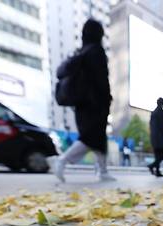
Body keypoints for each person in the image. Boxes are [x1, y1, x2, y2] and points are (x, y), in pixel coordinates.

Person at [52, 19, 114, 182]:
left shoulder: (82, 52)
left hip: (81, 105)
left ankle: (103, 171)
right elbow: (101, 80)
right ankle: (62, 160)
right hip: (95, 104)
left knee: (99, 139)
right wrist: (107, 100)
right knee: (91, 138)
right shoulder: (96, 52)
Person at [148, 97, 163, 177]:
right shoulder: (161, 113)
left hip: (154, 138)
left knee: (157, 155)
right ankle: (152, 166)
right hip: (160, 139)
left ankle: (157, 171)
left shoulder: (153, 113)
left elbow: (150, 126)